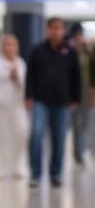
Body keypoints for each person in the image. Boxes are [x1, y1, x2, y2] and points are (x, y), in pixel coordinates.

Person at [25, 17, 82, 189]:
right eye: (52, 29)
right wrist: (28, 96)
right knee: (36, 135)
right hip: (41, 101)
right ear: (47, 30)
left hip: (63, 102)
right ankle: (35, 174)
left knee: (59, 139)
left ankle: (55, 174)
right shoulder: (37, 51)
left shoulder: (70, 52)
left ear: (63, 31)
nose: (56, 32)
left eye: (59, 29)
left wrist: (75, 98)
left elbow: (76, 77)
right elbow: (30, 76)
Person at [0, 34, 28, 179]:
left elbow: (26, 86)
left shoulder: (21, 64)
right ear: (2, 47)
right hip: (0, 106)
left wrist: (17, 78)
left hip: (18, 105)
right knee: (0, 137)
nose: (10, 48)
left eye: (13, 45)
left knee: (21, 133)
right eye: (7, 45)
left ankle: (17, 165)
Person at [68, 23, 93, 167]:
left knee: (86, 123)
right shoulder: (70, 53)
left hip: (87, 93)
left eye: (80, 35)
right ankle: (78, 153)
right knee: (76, 125)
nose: (78, 38)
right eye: (76, 36)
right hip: (73, 95)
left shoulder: (89, 51)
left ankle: (85, 151)